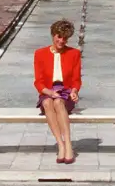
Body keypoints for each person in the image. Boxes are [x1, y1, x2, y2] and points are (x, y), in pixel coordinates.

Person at [34, 19, 82, 164]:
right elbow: (38, 82)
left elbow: (76, 80)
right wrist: (49, 92)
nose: (61, 41)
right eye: (59, 37)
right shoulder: (40, 53)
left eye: (65, 38)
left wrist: (74, 91)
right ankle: (60, 145)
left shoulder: (74, 53)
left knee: (58, 102)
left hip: (65, 92)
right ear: (53, 35)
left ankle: (68, 144)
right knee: (48, 103)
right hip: (47, 92)